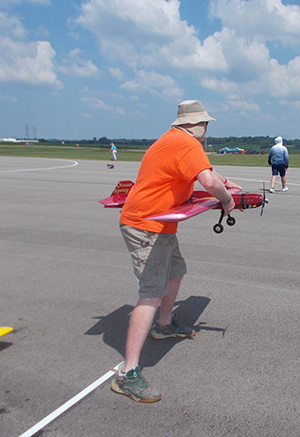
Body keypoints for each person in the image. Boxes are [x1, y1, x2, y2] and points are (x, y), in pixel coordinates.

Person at [112, 100, 241, 403]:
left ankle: (164, 325)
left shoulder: (173, 140)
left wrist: (227, 183)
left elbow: (207, 173)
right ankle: (127, 373)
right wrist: (226, 199)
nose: (206, 130)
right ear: (199, 125)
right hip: (147, 226)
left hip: (161, 225)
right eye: (206, 124)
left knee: (176, 272)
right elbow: (207, 181)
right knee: (151, 292)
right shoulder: (187, 143)